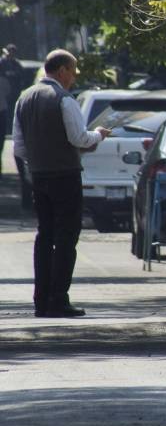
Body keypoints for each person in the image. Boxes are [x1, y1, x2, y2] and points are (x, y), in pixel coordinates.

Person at [12, 49, 111, 317]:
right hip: (65, 176)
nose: (75, 78)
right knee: (66, 238)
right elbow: (79, 138)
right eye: (73, 71)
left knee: (44, 236)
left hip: (40, 176)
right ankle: (59, 298)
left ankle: (41, 299)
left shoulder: (24, 98)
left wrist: (39, 159)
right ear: (62, 70)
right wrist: (99, 135)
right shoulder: (64, 100)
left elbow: (19, 147)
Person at [0, 43, 22, 174]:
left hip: (11, 98)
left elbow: (21, 78)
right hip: (4, 101)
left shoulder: (16, 65)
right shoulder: (2, 63)